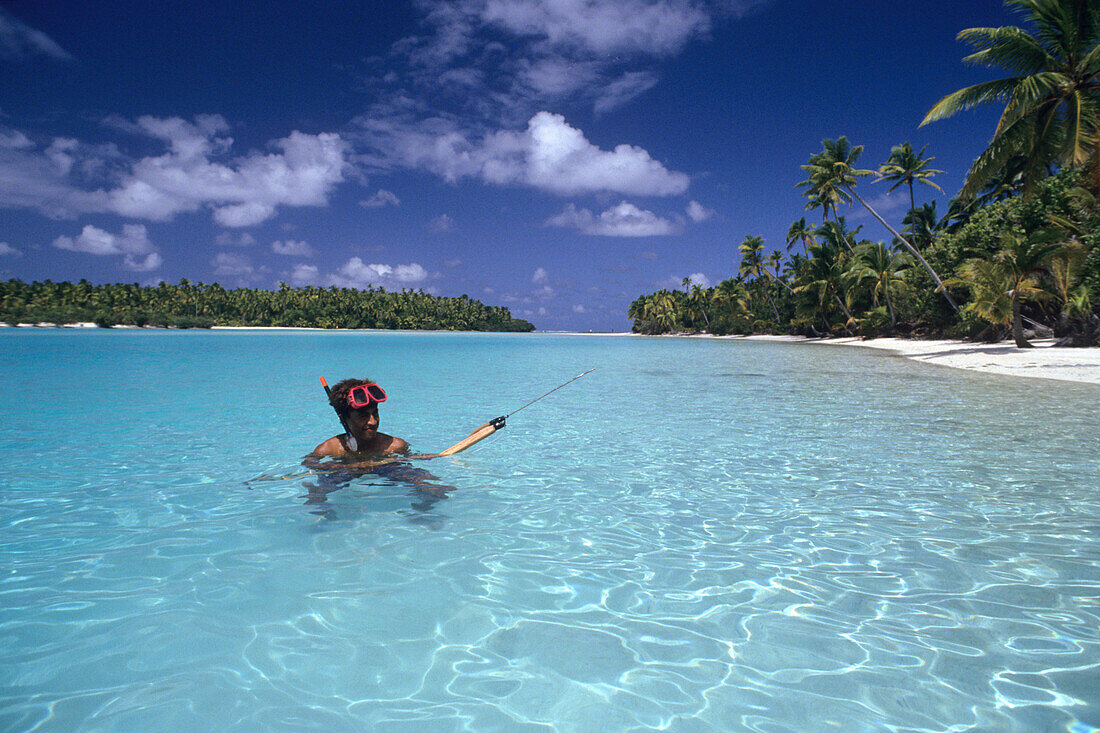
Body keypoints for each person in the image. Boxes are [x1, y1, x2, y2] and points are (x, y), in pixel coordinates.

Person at [308, 378, 409, 459]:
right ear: (344, 418)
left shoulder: (395, 446)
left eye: (375, 413)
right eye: (363, 416)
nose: (373, 422)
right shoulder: (326, 451)